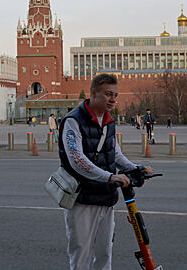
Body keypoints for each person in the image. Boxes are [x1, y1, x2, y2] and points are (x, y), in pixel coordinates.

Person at [58, 73, 152, 270]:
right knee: (81, 254)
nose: (113, 99)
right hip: (81, 199)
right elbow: (77, 160)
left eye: (115, 95)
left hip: (105, 198)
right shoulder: (72, 121)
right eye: (108, 94)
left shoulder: (109, 121)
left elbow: (114, 152)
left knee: (104, 254)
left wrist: (135, 169)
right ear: (93, 93)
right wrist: (109, 177)